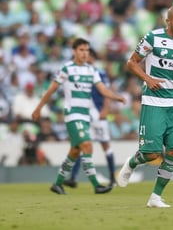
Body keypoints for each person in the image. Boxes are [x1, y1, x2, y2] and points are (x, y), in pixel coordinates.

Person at [117, 6, 173, 208]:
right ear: (168, 22)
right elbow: (131, 63)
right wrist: (147, 79)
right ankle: (132, 163)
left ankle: (155, 197)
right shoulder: (152, 38)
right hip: (154, 101)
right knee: (151, 154)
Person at [32, 38, 126, 195]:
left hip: (85, 115)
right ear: (74, 51)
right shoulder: (67, 68)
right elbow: (52, 89)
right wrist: (39, 108)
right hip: (72, 113)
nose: (84, 53)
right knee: (87, 145)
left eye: (87, 50)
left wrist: (118, 97)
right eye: (81, 50)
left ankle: (57, 184)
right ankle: (97, 185)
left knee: (75, 152)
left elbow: (103, 90)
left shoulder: (91, 70)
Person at [63, 48, 117, 188]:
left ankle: (112, 177)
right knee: (82, 144)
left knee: (105, 145)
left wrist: (105, 110)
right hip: (85, 114)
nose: (86, 58)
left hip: (97, 114)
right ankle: (73, 178)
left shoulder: (99, 73)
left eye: (89, 56)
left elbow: (106, 92)